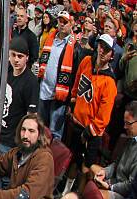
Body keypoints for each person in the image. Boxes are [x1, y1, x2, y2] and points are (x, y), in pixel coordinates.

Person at [65, 34, 118, 193]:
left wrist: (89, 133)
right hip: (76, 123)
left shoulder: (109, 83)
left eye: (106, 49)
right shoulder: (86, 61)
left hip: (91, 133)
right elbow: (76, 83)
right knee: (72, 160)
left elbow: (104, 118)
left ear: (111, 55)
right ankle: (65, 192)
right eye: (101, 46)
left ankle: (79, 197)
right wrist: (72, 101)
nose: (102, 51)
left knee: (86, 167)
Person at [0, 114, 54, 199]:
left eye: (31, 131)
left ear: (39, 135)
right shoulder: (18, 151)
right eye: (23, 130)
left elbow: (25, 194)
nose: (25, 135)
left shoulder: (44, 158)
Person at [38, 11, 80, 140]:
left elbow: (75, 75)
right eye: (60, 21)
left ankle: (53, 158)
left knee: (54, 132)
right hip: (44, 90)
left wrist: (70, 99)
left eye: (65, 22)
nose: (61, 24)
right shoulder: (49, 39)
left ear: (71, 25)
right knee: (40, 128)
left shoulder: (75, 47)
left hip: (59, 96)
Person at [90, 101, 137, 199]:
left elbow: (131, 185)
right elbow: (116, 163)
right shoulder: (131, 139)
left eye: (128, 123)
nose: (125, 127)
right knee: (91, 172)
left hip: (126, 196)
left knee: (98, 197)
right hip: (115, 182)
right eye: (124, 122)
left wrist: (110, 187)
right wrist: (104, 172)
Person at [0, 37, 39, 152]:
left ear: (26, 58)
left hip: (12, 140)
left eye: (20, 56)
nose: (16, 60)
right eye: (13, 55)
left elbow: (31, 116)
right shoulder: (6, 70)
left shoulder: (30, 82)